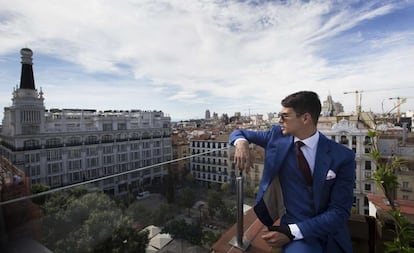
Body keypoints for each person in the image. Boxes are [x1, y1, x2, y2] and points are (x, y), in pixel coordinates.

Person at [229, 91, 355, 253]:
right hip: (297, 233)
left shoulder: (342, 156)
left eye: (285, 116)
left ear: (305, 118)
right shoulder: (277, 137)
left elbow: (340, 211)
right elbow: (239, 133)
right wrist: (241, 144)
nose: (279, 120)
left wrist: (291, 232)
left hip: (328, 232)